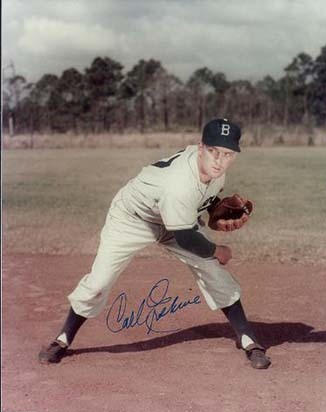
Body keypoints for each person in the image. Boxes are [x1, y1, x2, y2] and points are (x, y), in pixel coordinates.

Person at [39, 118, 271, 369]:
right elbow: (185, 236)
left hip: (173, 218)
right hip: (132, 219)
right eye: (213, 151)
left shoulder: (215, 171)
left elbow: (198, 200)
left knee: (212, 269)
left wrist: (214, 206)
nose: (219, 160)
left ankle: (247, 338)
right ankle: (62, 339)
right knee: (99, 282)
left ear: (234, 155)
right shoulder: (179, 184)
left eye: (226, 154)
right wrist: (218, 250)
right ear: (200, 147)